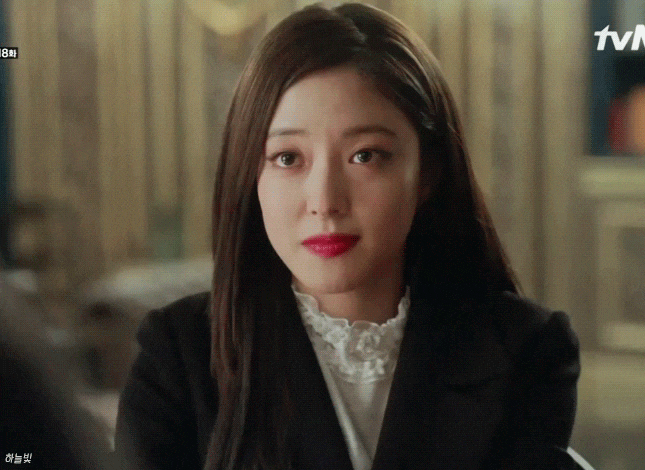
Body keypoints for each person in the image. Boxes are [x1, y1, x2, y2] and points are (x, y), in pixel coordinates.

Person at [114, 3, 581, 470]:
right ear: (249, 175)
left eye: (365, 156)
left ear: (427, 173)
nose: (324, 200)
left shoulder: (525, 351)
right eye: (287, 158)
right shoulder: (179, 356)